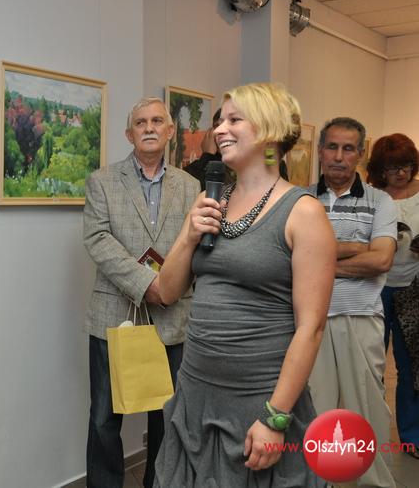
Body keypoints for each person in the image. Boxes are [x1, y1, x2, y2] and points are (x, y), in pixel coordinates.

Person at [153, 82, 336, 487]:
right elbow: (166, 291)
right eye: (220, 120)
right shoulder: (209, 200)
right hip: (196, 392)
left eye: (235, 120)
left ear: (269, 129)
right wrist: (188, 235)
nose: (219, 129)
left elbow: (311, 327)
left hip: (258, 400)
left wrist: (275, 417)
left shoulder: (303, 213)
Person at [83, 97, 199, 488]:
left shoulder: (191, 186)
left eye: (157, 121)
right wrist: (146, 283)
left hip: (173, 316)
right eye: (140, 123)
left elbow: (195, 245)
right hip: (115, 316)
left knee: (167, 416)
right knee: (104, 418)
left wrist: (167, 287)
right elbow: (98, 239)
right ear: (128, 134)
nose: (149, 128)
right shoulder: (102, 181)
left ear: (171, 131)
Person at [308, 117, 398, 487]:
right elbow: (288, 259)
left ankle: (373, 482)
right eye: (332, 147)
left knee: (366, 407)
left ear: (360, 154)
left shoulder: (380, 201)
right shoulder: (300, 200)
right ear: (320, 151)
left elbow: (381, 260)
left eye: (348, 149)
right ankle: (321, 481)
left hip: (361, 318)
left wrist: (319, 264)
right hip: (310, 322)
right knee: (317, 409)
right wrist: (355, 248)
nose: (339, 156)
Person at [367, 133, 419, 459]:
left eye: (407, 165)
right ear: (380, 169)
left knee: (409, 367)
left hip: (413, 289)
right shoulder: (371, 197)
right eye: (393, 167)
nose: (401, 173)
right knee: (370, 366)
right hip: (373, 287)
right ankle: (371, 433)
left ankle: (412, 437)